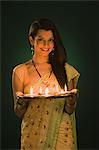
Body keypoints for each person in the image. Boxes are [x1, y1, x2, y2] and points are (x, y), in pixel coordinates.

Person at [12, 18, 80, 150]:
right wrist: (21, 102)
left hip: (62, 136)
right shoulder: (20, 71)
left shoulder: (66, 70)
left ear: (55, 43)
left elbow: (69, 110)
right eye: (41, 40)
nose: (46, 45)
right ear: (31, 40)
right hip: (33, 137)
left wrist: (72, 100)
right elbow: (19, 113)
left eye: (50, 40)